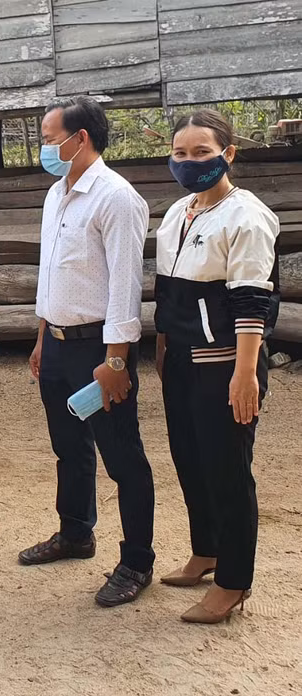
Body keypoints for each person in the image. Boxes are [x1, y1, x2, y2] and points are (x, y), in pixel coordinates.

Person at [21, 95, 156, 607]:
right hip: (58, 345)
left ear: (81, 139)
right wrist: (41, 338)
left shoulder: (116, 198)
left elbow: (125, 286)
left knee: (123, 458)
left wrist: (116, 361)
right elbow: (51, 273)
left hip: (100, 349)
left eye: (49, 139)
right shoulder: (56, 194)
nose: (44, 149)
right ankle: (75, 532)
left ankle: (137, 561)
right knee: (69, 448)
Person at [154, 109, 279, 623]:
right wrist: (162, 346)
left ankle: (233, 581)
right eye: (180, 153)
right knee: (190, 460)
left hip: (226, 364)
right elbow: (168, 290)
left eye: (201, 152)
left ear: (227, 153)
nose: (189, 161)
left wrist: (245, 375)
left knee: (227, 470)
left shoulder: (247, 216)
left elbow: (251, 302)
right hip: (182, 360)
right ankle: (205, 550)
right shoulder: (177, 212)